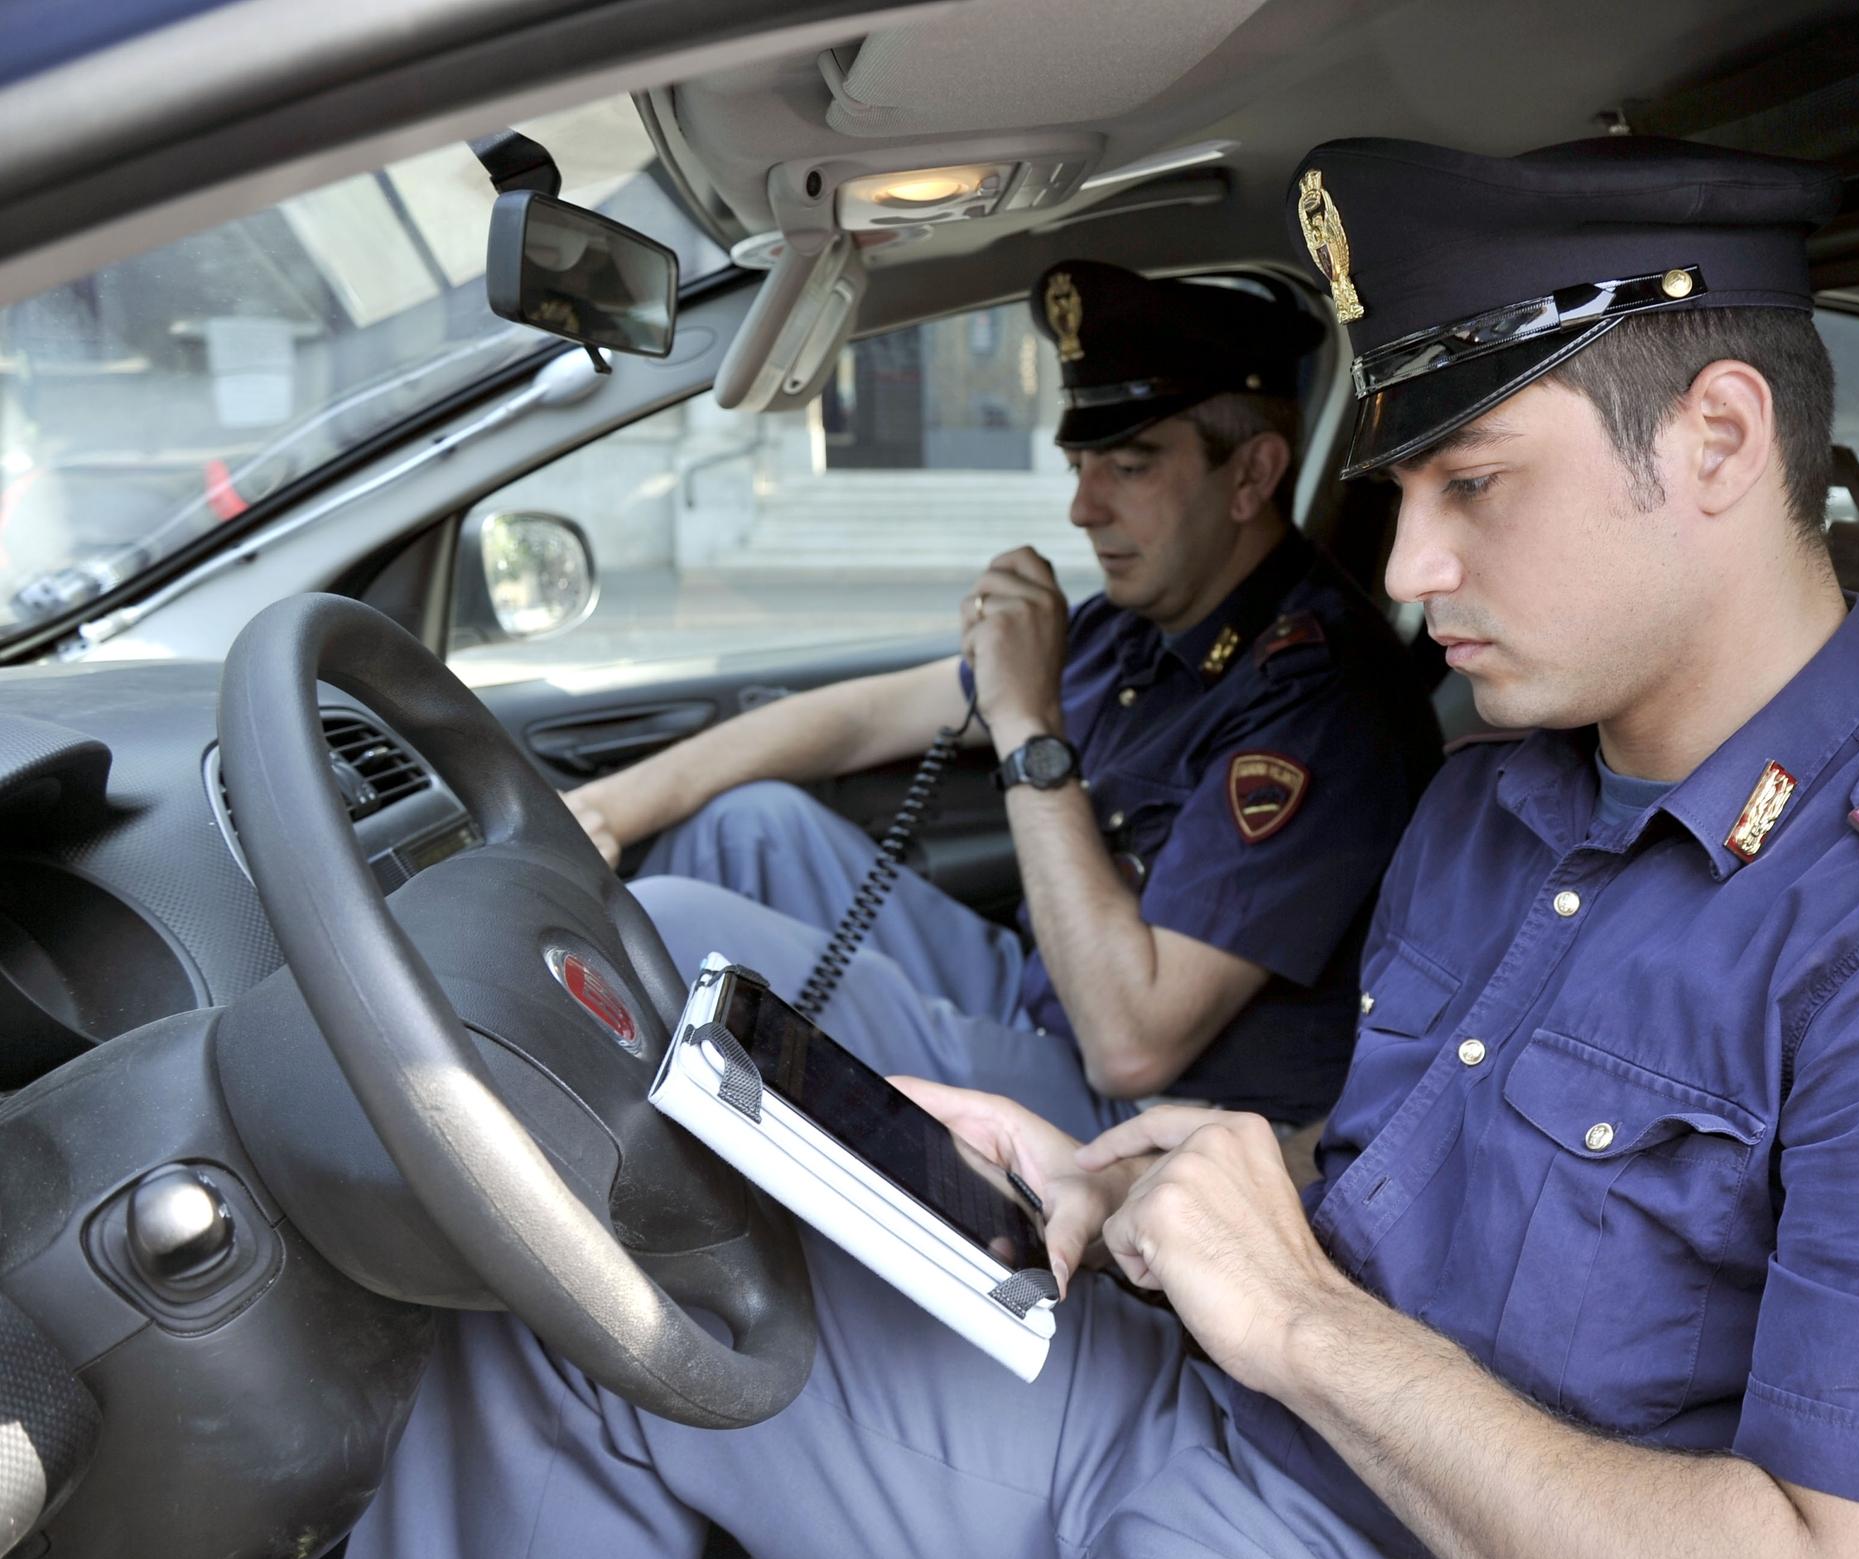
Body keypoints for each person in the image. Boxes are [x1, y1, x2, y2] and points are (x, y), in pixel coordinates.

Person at [307, 137, 1859, 1559]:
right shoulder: (1500, 791)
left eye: (1474, 486)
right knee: (591, 1290)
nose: (1407, 567)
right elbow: (1430, 1186)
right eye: (1400, 491)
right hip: (1204, 1419)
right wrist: (1143, 1175)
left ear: (1715, 437)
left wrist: (1298, 1325)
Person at [572, 260, 1439, 1137]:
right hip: (1043, 991)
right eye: (1079, 464)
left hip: (1147, 1120)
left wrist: (1028, 727)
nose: (1081, 509)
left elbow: (1133, 1047)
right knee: (747, 828)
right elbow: (861, 721)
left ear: (1251, 476)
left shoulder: (1320, 697)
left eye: (1129, 468)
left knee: (672, 918)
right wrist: (603, 812)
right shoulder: (1134, 625)